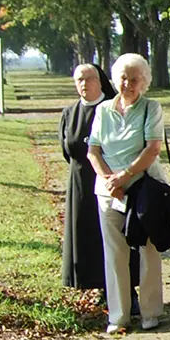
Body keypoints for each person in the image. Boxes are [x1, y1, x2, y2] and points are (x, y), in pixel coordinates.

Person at [87, 53, 167, 333]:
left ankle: (150, 312)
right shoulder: (103, 110)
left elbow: (153, 148)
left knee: (148, 250)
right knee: (115, 253)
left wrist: (126, 175)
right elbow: (93, 151)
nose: (128, 84)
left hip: (142, 188)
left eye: (134, 79)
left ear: (143, 82)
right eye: (123, 78)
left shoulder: (151, 108)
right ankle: (118, 316)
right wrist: (109, 179)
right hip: (109, 191)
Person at [60, 63, 111, 294]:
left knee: (108, 234)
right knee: (84, 232)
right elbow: (66, 148)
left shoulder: (111, 109)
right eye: (79, 79)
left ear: (100, 81)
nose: (84, 84)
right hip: (79, 180)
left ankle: (116, 286)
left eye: (89, 78)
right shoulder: (69, 113)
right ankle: (89, 283)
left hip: (109, 179)